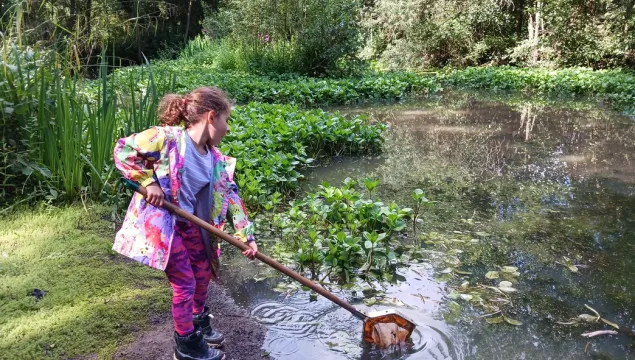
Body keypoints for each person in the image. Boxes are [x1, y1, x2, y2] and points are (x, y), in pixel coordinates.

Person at [112, 87, 258, 360]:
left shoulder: (215, 159)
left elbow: (232, 196)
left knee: (203, 277)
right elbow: (123, 150)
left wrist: (245, 236)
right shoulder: (166, 138)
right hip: (167, 226)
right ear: (212, 117)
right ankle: (187, 345)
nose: (227, 129)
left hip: (193, 227)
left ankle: (198, 323)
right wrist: (148, 182)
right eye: (227, 120)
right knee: (185, 283)